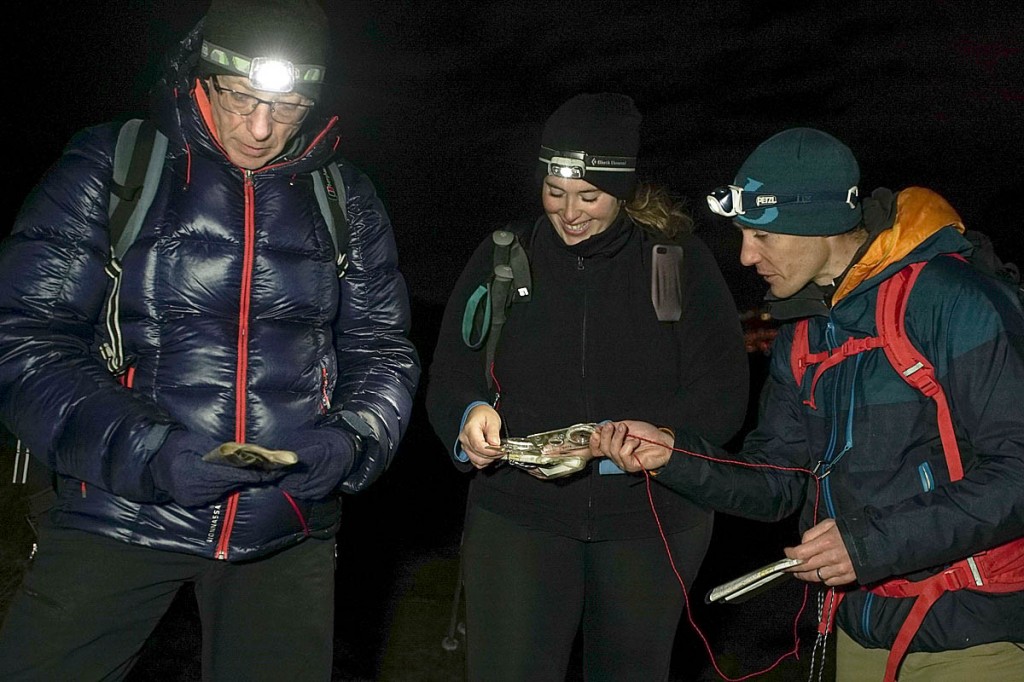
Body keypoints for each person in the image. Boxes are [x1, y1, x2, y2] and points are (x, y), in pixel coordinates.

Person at [0, 1, 419, 679]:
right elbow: (25, 340)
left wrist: (351, 439)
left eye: (288, 106)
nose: (261, 127)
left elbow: (382, 348)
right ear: (201, 76)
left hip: (286, 526)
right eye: (242, 97)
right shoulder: (115, 162)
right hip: (118, 508)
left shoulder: (346, 195)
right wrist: (148, 450)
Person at [591, 127, 1024, 680]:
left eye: (761, 236)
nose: (746, 256)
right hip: (859, 630)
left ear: (818, 223)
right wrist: (672, 455)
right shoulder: (803, 335)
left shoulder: (954, 301)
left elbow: (1016, 470)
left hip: (974, 635)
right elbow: (779, 481)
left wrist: (871, 544)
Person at [425, 93, 749, 681]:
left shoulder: (675, 263)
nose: (569, 213)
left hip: (648, 521)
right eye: (555, 191)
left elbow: (723, 389)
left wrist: (662, 439)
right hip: (518, 515)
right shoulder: (503, 258)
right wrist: (469, 417)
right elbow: (451, 373)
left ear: (621, 191)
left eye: (590, 197)